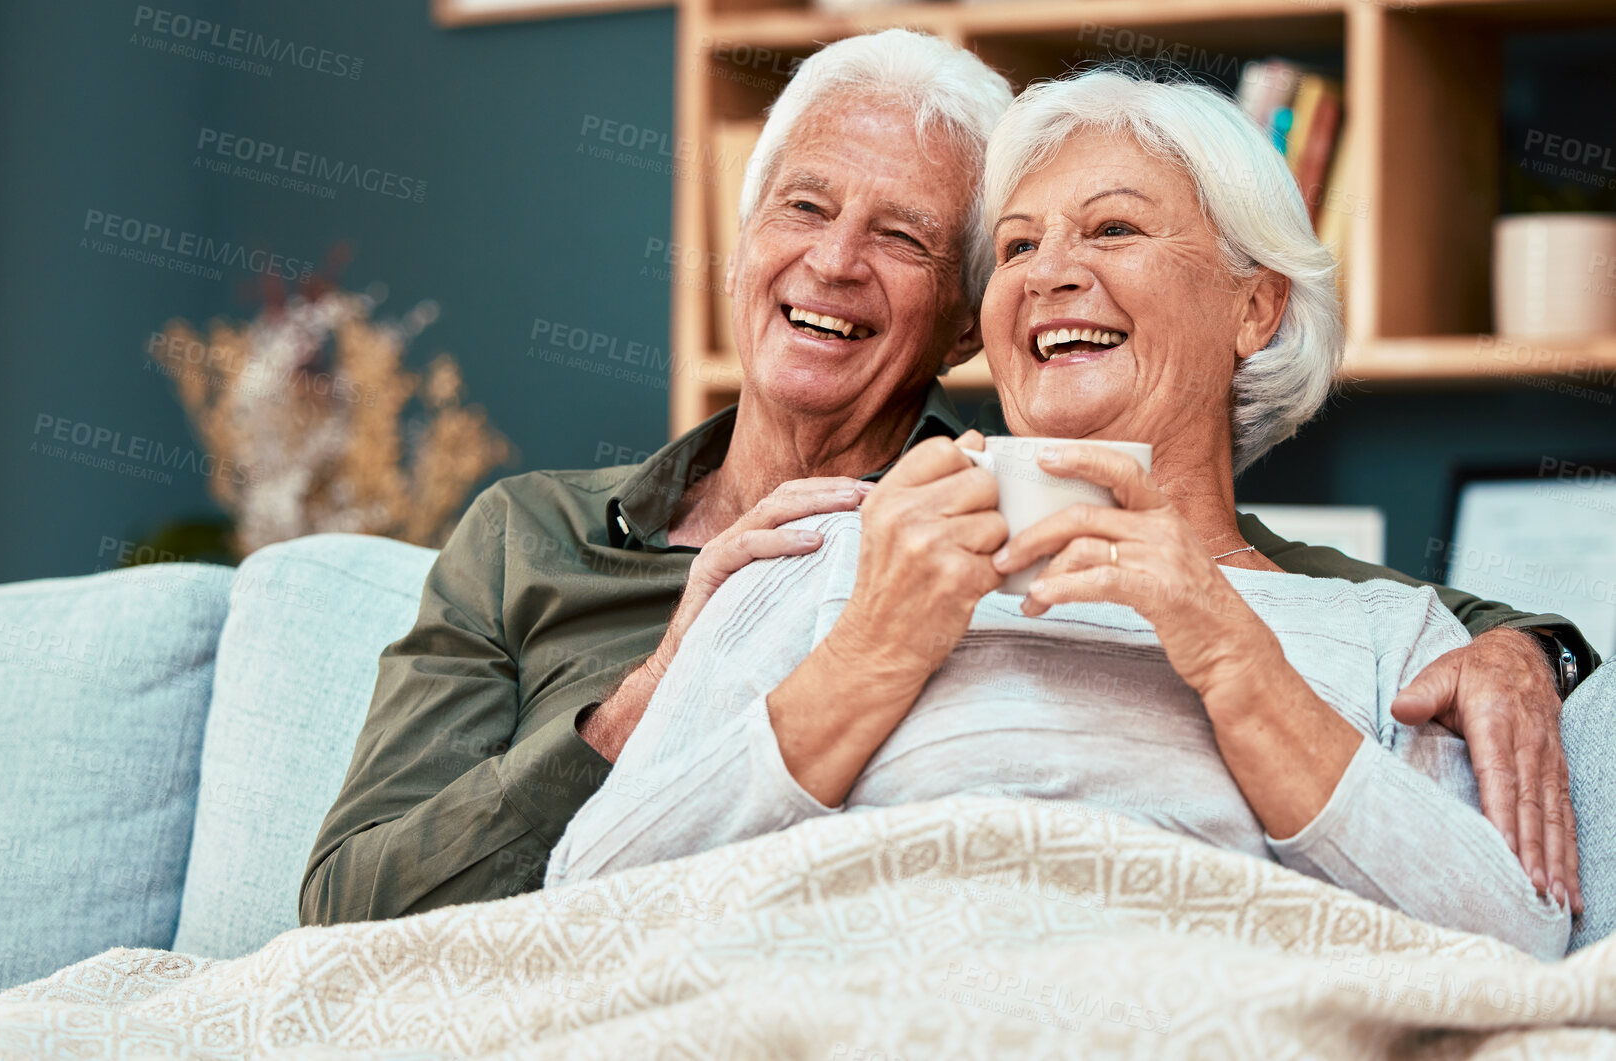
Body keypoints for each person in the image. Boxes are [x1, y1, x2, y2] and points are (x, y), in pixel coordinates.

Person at [300, 32, 1596, 928]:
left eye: (907, 237)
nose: (835, 262)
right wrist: (653, 696)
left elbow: (1279, 587)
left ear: (962, 324)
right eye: (803, 209)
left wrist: (1524, 642)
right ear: (741, 243)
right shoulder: (563, 535)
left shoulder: (1016, 529)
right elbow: (374, 905)